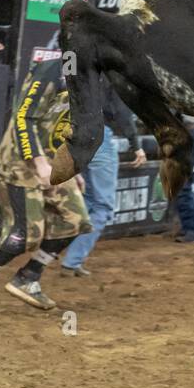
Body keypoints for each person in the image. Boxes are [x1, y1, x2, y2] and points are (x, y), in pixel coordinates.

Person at [0, 59, 90, 315]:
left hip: (53, 159)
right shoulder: (53, 69)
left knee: (75, 220)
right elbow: (24, 116)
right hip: (19, 161)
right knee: (27, 234)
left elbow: (70, 127)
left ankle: (28, 276)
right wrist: (40, 163)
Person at [59, 82, 146, 276]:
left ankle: (68, 257)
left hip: (79, 135)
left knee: (90, 200)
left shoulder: (92, 74)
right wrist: (136, 144)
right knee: (103, 207)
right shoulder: (115, 75)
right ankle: (72, 261)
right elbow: (122, 113)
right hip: (100, 137)